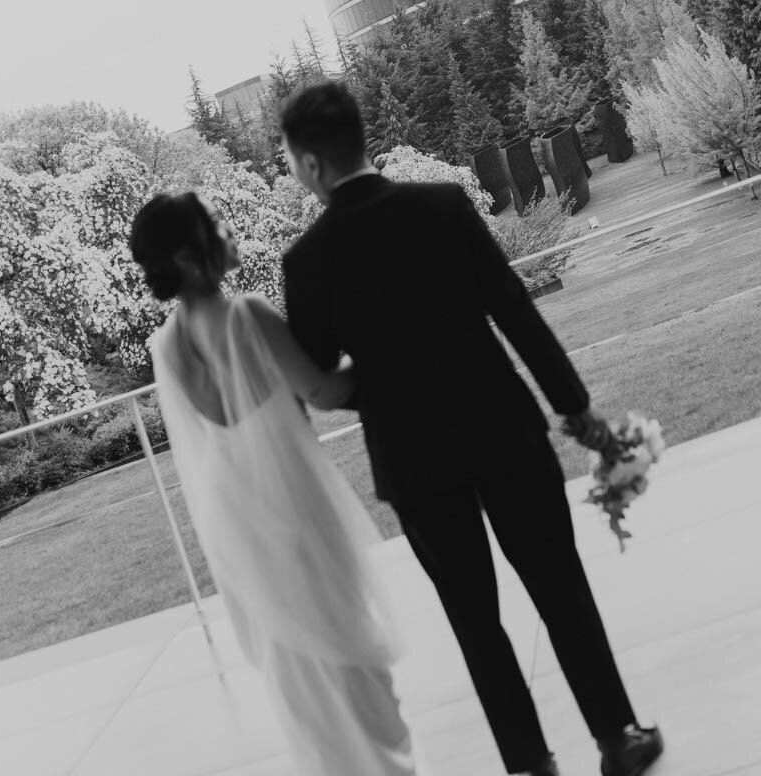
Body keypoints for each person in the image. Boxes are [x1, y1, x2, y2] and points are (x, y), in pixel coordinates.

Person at [280, 80, 663, 776]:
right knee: (561, 590)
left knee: (474, 623)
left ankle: (530, 766)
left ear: (309, 164)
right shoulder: (443, 206)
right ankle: (618, 739)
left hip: (413, 461)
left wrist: (385, 383)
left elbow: (323, 379)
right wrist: (574, 408)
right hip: (505, 430)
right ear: (361, 137)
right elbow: (513, 310)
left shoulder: (306, 263)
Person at [129, 191, 422, 776]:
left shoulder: (164, 346)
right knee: (344, 635)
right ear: (189, 256)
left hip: (235, 518)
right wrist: (392, 341)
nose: (228, 225)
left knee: (298, 659)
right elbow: (324, 391)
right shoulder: (246, 314)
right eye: (215, 222)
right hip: (292, 502)